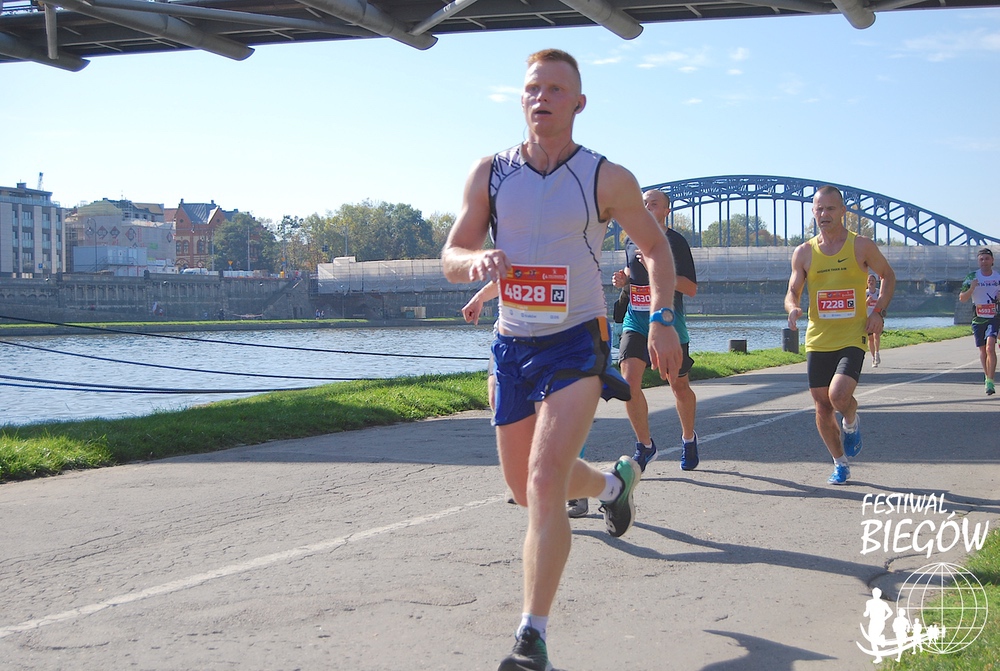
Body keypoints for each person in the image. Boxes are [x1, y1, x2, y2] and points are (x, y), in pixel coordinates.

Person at [442, 48, 682, 671]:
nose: (541, 97)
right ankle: (612, 485)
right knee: (524, 489)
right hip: (511, 344)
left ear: (579, 102)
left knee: (545, 483)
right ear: (521, 99)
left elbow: (655, 249)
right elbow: (452, 253)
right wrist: (475, 262)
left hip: (577, 340)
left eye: (555, 89)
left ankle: (531, 638)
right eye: (532, 88)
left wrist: (661, 318)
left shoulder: (605, 177)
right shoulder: (491, 174)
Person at [784, 185, 895, 485]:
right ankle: (840, 462)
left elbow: (888, 276)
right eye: (819, 209)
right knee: (822, 406)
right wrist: (793, 308)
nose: (824, 214)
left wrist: (878, 312)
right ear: (813, 212)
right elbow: (792, 291)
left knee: (838, 396)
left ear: (843, 212)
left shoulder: (861, 246)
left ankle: (851, 420)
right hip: (818, 338)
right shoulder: (804, 252)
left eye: (830, 208)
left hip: (852, 336)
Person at [463, 282, 590, 517]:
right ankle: (527, 478)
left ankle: (579, 484)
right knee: (497, 399)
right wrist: (479, 298)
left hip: (551, 337)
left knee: (555, 414)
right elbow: (504, 276)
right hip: (508, 336)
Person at [611, 189, 699, 472]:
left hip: (669, 322)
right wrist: (623, 278)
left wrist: (655, 269)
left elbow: (691, 288)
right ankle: (645, 445)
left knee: (679, 386)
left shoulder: (675, 242)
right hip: (635, 321)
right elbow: (631, 272)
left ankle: (688, 438)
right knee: (628, 383)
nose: (647, 207)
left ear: (666, 211)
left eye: (654, 204)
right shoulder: (631, 240)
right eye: (644, 203)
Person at [958, 247, 999, 395]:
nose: (984, 261)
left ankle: (990, 381)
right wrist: (972, 288)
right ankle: (987, 377)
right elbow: (962, 298)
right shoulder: (972, 277)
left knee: (990, 348)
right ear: (978, 261)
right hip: (978, 318)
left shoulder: (998, 277)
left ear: (992, 260)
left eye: (987, 259)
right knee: (982, 350)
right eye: (981, 259)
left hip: (994, 317)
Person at [865, 273, 882, 367]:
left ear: (876, 282)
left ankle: (877, 353)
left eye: (872, 281)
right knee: (870, 338)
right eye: (869, 281)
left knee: (876, 335)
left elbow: (883, 305)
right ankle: (873, 358)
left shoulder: (879, 293)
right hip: (867, 318)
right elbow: (860, 306)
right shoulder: (864, 293)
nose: (871, 282)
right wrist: (866, 302)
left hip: (877, 317)